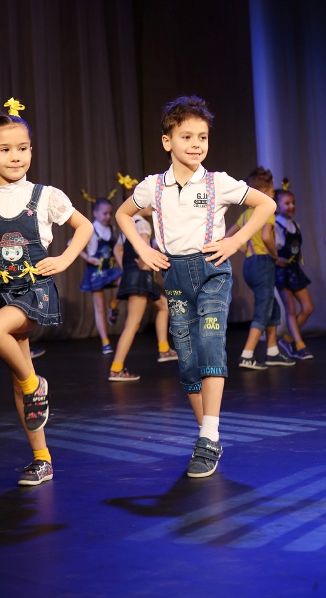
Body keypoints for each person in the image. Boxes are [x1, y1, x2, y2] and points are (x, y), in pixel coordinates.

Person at [116, 95, 276, 478]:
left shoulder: (217, 183)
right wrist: (143, 248)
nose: (196, 144)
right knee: (187, 360)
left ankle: (208, 436)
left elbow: (265, 205)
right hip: (174, 275)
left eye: (202, 137)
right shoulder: (153, 187)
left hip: (211, 271)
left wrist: (235, 241)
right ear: (167, 141)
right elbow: (123, 214)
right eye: (186, 136)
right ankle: (208, 436)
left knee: (210, 342)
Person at [0, 99, 93, 486]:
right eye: (5, 149)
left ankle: (36, 385)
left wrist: (64, 259)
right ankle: (42, 459)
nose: (15, 156)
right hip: (2, 293)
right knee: (18, 379)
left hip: (34, 292)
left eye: (23, 148)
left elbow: (84, 227)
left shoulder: (46, 196)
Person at [225, 168, 295, 370]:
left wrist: (247, 250)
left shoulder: (246, 214)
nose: (273, 196)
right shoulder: (267, 211)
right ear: (264, 193)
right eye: (272, 192)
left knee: (272, 305)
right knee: (264, 307)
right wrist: (275, 255)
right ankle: (247, 354)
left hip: (250, 264)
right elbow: (266, 237)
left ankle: (272, 351)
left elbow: (229, 236)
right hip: (263, 263)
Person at [108, 207, 178, 381]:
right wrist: (143, 265)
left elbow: (117, 250)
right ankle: (116, 368)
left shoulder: (128, 224)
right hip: (140, 276)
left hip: (133, 274)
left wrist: (127, 268)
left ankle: (164, 349)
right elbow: (144, 251)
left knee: (164, 306)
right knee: (132, 324)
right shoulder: (143, 225)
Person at [274, 188, 314, 360]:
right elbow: (266, 246)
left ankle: (288, 339)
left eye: (293, 203)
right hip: (281, 272)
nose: (291, 206)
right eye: (287, 203)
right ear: (277, 206)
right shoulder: (275, 225)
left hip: (294, 269)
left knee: (308, 307)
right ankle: (299, 346)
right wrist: (276, 258)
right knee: (291, 309)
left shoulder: (295, 226)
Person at [79, 198, 122, 354]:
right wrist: (88, 258)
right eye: (104, 213)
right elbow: (72, 243)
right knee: (99, 306)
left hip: (109, 270)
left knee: (125, 281)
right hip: (95, 272)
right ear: (95, 213)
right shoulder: (90, 229)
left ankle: (114, 304)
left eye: (110, 213)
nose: (107, 216)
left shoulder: (111, 228)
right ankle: (105, 342)